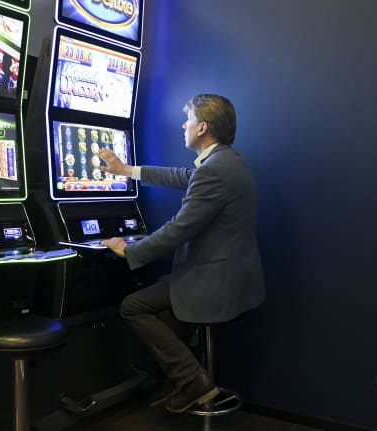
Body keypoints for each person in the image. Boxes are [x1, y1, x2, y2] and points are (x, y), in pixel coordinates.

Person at [97, 94, 265, 413]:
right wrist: (125, 170)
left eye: (187, 119)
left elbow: (178, 230)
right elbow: (182, 177)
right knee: (165, 295)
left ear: (202, 127)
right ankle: (178, 379)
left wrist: (129, 250)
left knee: (132, 306)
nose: (183, 124)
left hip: (216, 285)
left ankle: (192, 380)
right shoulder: (227, 161)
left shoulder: (215, 170)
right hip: (236, 279)